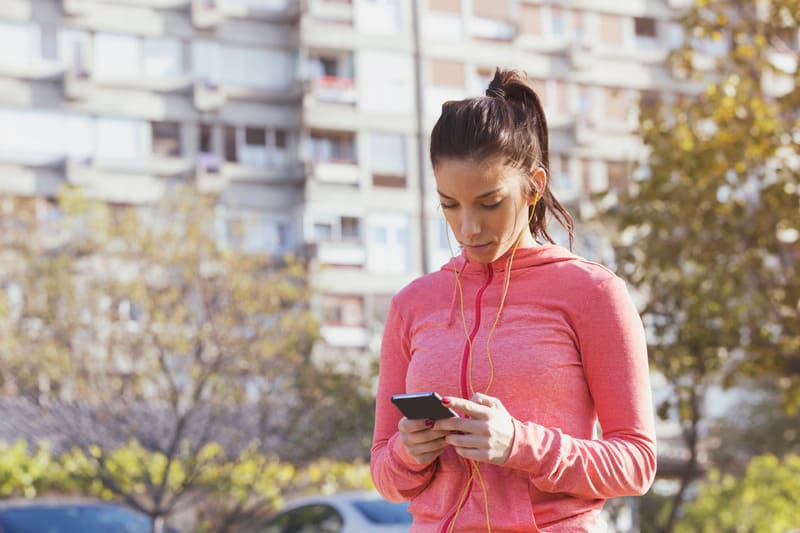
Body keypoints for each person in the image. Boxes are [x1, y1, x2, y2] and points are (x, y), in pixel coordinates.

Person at [370, 67, 656, 532]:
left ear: (534, 187)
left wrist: (519, 444)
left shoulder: (592, 293)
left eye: (489, 203)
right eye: (449, 205)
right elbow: (385, 475)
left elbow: (637, 462)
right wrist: (408, 453)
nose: (468, 228)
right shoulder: (413, 304)